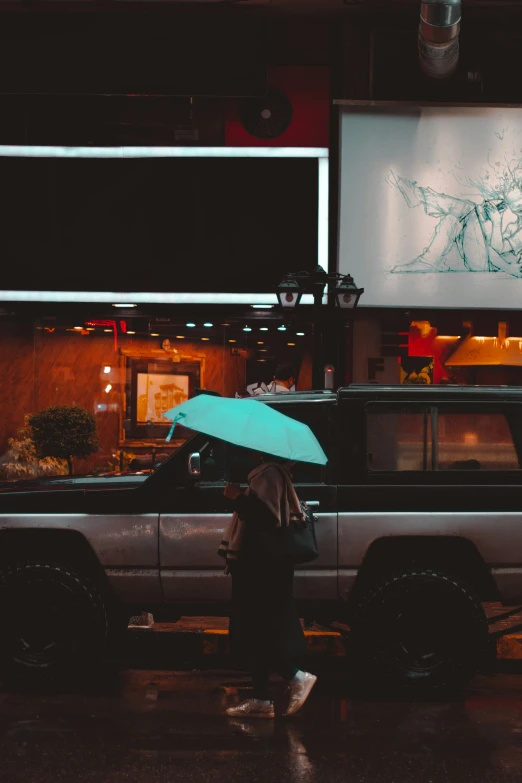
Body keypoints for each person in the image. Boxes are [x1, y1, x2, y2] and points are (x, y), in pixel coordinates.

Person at [219, 453, 317, 719]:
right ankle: (261, 699)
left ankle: (296, 677)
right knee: (257, 630)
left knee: (258, 628)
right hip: (265, 566)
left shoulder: (268, 474)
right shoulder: (271, 473)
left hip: (261, 567)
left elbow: (266, 519)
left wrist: (236, 498)